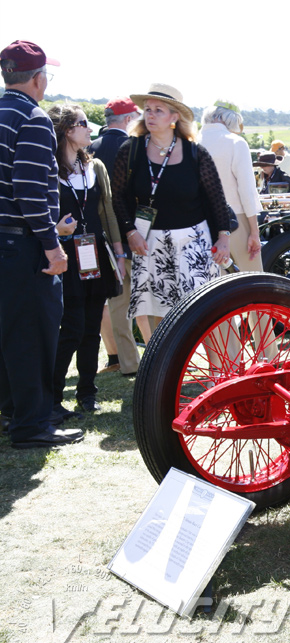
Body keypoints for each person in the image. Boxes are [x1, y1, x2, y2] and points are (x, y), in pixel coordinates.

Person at [0, 39, 84, 448]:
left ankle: (13, 414)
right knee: (32, 337)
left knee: (7, 334)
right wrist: (53, 248)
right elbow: (30, 191)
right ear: (37, 78)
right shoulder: (32, 118)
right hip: (22, 247)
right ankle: (30, 425)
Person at [111, 83, 235, 333]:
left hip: (195, 241)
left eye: (159, 110)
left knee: (204, 314)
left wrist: (223, 238)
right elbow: (118, 197)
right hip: (151, 243)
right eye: (147, 109)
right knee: (163, 317)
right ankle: (166, 371)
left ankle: (216, 370)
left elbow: (217, 199)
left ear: (174, 117)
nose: (151, 115)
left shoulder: (195, 153)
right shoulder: (130, 150)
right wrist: (130, 232)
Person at [47, 104, 123, 416]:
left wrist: (118, 252)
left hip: (96, 254)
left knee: (92, 327)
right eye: (82, 124)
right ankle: (51, 397)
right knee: (73, 327)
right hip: (66, 256)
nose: (90, 129)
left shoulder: (96, 167)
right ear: (67, 130)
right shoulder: (49, 168)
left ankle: (87, 393)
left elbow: (107, 211)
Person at [88, 95, 142, 376]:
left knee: (118, 304)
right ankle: (160, 361)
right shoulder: (134, 145)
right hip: (138, 233)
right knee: (151, 301)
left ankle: (129, 362)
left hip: (105, 238)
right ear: (128, 119)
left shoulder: (90, 147)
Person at [197, 101, 263, 270]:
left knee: (213, 286)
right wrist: (254, 232)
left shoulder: (191, 142)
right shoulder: (236, 142)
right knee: (251, 281)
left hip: (200, 221)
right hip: (235, 219)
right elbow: (246, 190)